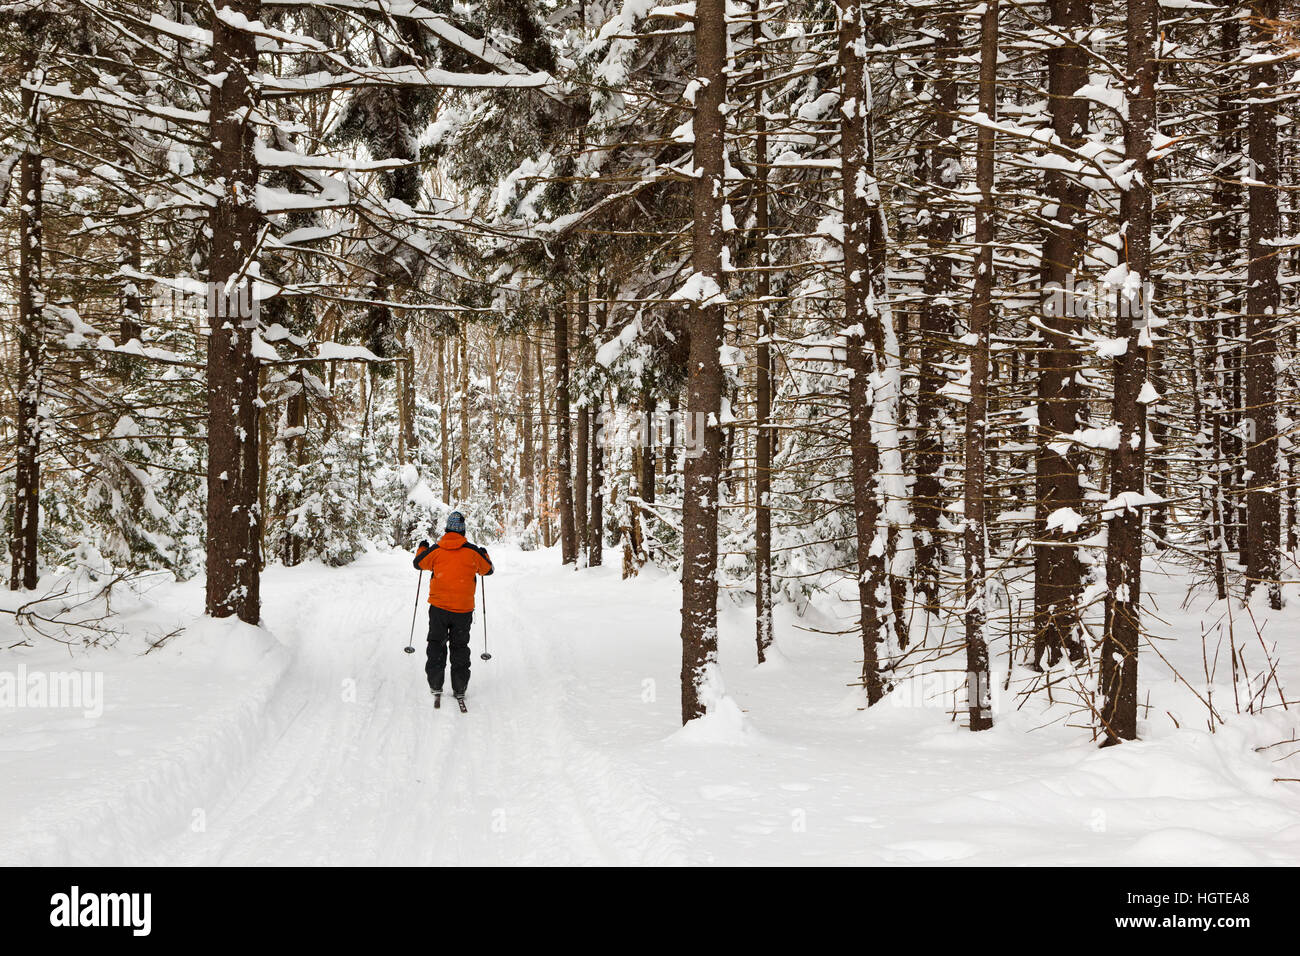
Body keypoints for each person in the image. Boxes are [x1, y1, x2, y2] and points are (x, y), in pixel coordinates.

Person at [413, 511, 493, 703]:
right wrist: (484, 553)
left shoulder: (437, 550)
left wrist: (422, 548)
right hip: (463, 610)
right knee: (459, 647)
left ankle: (435, 683)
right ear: (463, 530)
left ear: (447, 529)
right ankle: (459, 686)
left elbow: (418, 564)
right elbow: (488, 569)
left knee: (436, 644)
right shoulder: (472, 551)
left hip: (439, 608)